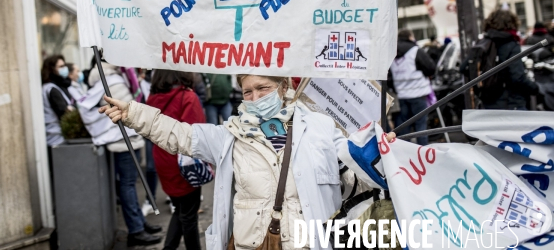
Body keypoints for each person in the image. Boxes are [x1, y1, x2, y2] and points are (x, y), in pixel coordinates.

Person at [100, 74, 396, 250]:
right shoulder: (229, 135)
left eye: (263, 88)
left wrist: (380, 154)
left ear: (282, 87)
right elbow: (181, 134)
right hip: (252, 245)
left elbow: (352, 178)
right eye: (247, 92)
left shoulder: (320, 127)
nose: (255, 97)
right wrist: (132, 114)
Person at [87, 61, 162, 247]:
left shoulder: (115, 76)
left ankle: (139, 224)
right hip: (124, 139)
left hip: (127, 138)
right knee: (128, 185)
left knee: (129, 184)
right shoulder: (111, 80)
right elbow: (130, 109)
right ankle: (136, 230)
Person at [146, 70, 206, 250]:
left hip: (162, 159)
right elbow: (196, 133)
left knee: (180, 210)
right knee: (189, 215)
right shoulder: (188, 97)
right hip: (184, 162)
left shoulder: (152, 98)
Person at [479, 9, 539, 110]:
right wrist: (535, 88)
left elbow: (465, 68)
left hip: (488, 103)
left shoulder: (484, 43)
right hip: (512, 103)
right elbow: (517, 77)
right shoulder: (511, 44)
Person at [388, 29, 436, 145]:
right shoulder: (416, 51)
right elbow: (431, 68)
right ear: (410, 37)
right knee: (421, 126)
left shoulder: (391, 53)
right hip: (418, 94)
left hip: (401, 96)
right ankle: (422, 154)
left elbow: (388, 77)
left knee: (404, 128)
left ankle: (405, 154)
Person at [41, 55, 74, 147]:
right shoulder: (51, 89)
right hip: (56, 138)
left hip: (60, 136)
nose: (64, 69)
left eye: (64, 66)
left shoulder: (60, 86)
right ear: (52, 69)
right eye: (61, 66)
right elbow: (63, 111)